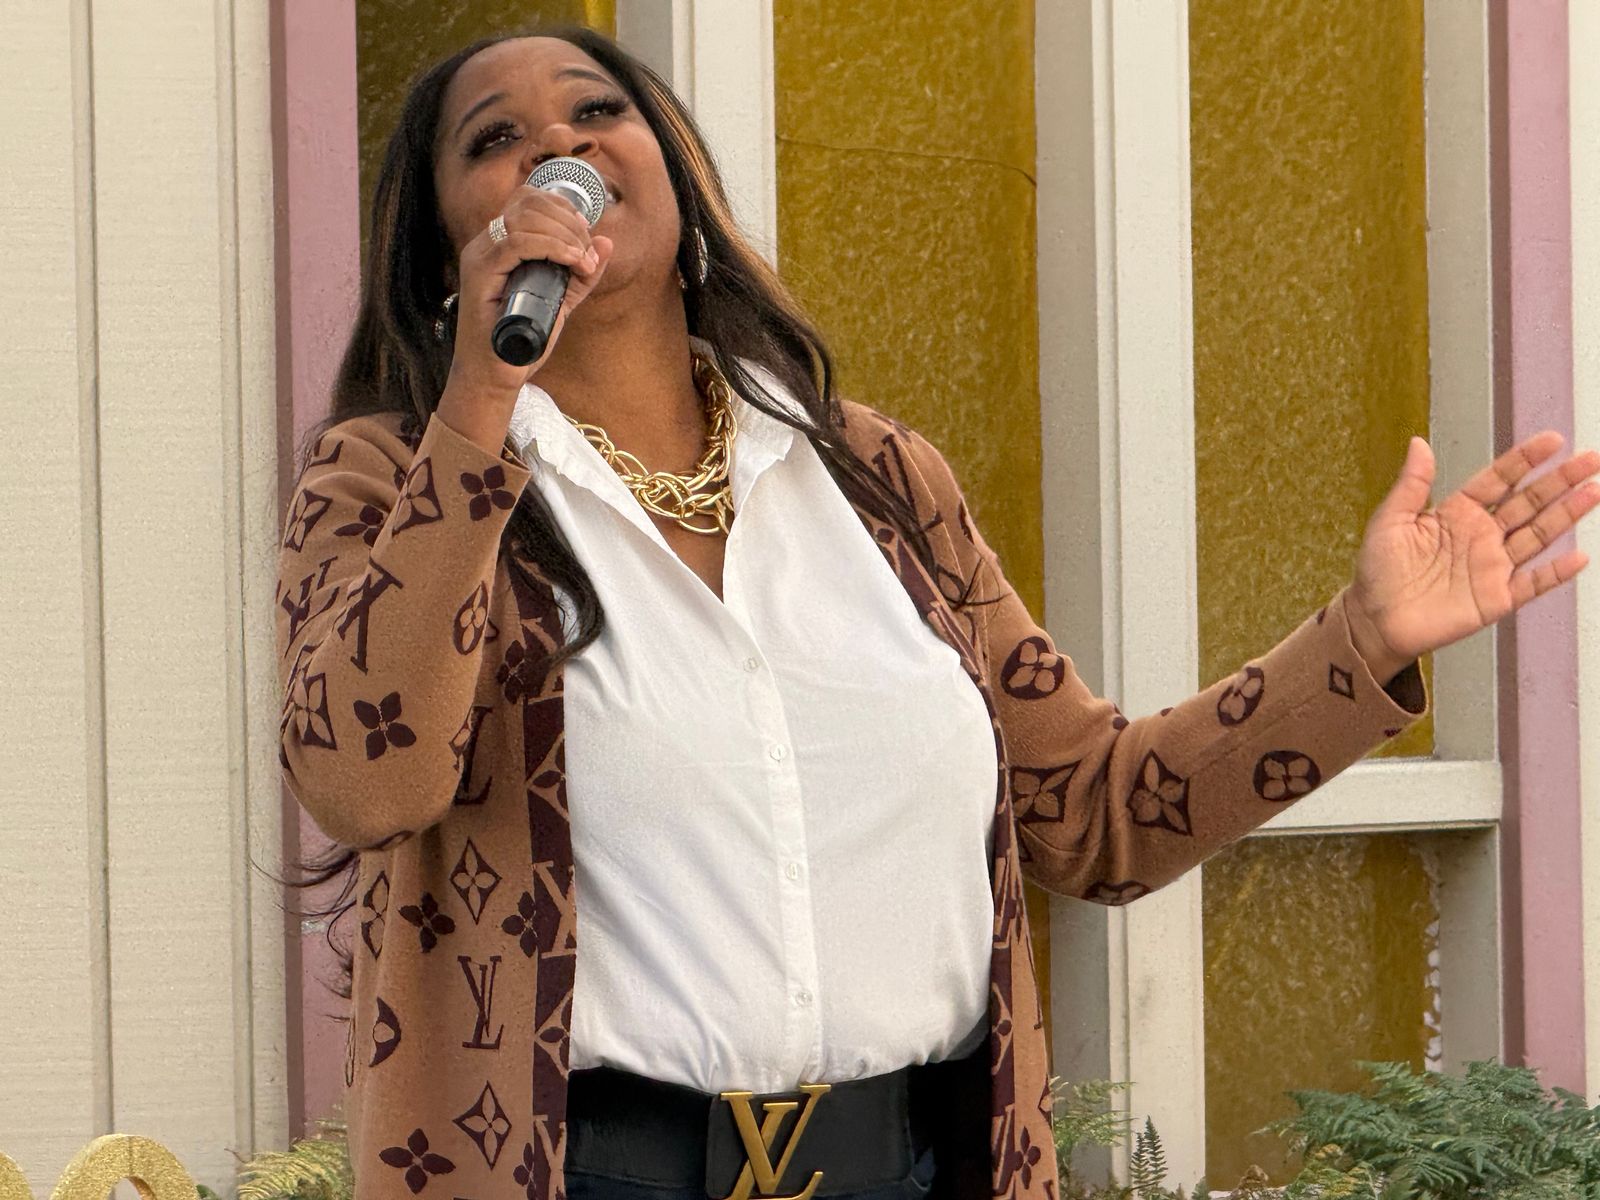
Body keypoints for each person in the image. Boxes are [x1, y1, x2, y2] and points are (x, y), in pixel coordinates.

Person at [274, 24, 1599, 1200]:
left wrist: (1361, 644)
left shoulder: (875, 479)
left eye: (596, 111)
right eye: (496, 140)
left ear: (674, 173)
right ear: (444, 250)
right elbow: (362, 783)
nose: (560, 147)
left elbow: (1099, 813)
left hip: (904, 1165)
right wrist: (479, 405)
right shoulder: (391, 481)